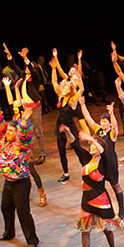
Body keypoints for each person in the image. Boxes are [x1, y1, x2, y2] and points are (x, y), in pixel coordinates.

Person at [0, 87, 39, 247]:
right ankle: (9, 232)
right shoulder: (4, 139)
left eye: (11, 131)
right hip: (8, 182)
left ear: (17, 133)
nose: (7, 133)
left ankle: (32, 240)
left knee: (23, 212)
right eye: (7, 130)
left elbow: (25, 135)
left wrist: (24, 122)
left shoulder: (22, 144)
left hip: (21, 183)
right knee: (5, 208)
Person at [70, 129, 122, 247]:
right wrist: (67, 130)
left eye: (94, 145)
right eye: (90, 144)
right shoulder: (87, 159)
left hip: (100, 201)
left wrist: (91, 138)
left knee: (107, 230)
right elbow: (74, 144)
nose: (91, 146)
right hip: (86, 200)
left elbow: (102, 149)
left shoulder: (104, 162)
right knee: (84, 231)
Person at [80, 101, 124, 218]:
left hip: (110, 163)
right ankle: (104, 208)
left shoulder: (112, 134)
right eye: (102, 121)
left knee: (115, 185)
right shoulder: (98, 130)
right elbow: (88, 118)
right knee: (101, 187)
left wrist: (112, 113)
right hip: (99, 164)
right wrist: (83, 105)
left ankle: (121, 209)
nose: (103, 123)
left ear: (109, 124)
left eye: (105, 122)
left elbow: (115, 126)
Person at [3, 43, 47, 163]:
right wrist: (9, 55)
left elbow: (32, 70)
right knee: (24, 130)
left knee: (38, 131)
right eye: (27, 66)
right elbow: (14, 66)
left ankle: (42, 153)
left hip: (35, 107)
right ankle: (25, 152)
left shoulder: (35, 78)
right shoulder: (23, 76)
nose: (27, 68)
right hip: (25, 108)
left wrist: (25, 58)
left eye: (30, 66)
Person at [49, 51, 85, 183]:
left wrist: (78, 73)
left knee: (77, 149)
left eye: (65, 86)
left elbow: (81, 89)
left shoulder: (72, 100)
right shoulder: (61, 96)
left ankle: (85, 170)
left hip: (70, 127)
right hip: (60, 126)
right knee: (61, 150)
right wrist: (53, 68)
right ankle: (65, 173)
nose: (62, 86)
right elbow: (54, 83)